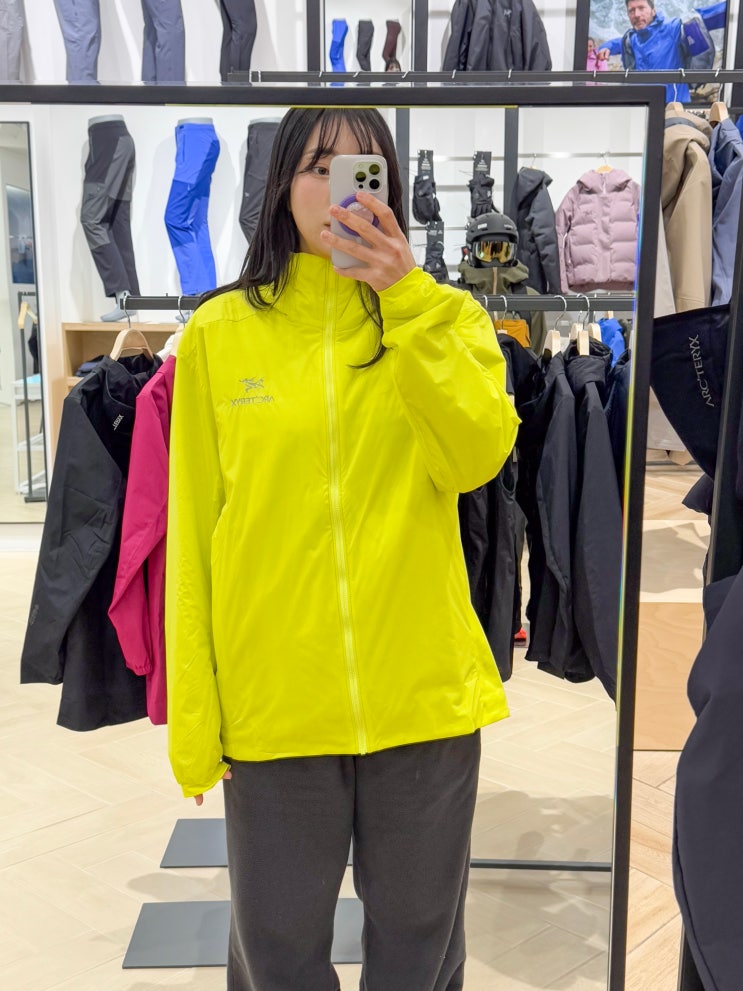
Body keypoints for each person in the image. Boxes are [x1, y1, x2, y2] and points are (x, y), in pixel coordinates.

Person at [165, 107, 520, 991]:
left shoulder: (447, 317)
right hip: (276, 703)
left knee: (418, 956)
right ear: (282, 186)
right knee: (276, 957)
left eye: (361, 171)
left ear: (388, 188)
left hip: (422, 701)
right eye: (317, 168)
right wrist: (196, 723)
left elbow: (477, 455)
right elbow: (194, 539)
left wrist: (406, 302)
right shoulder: (218, 335)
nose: (337, 191)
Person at [598, 0, 713, 102]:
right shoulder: (632, 39)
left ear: (653, 11)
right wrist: (607, 46)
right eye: (631, 10)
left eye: (641, 8)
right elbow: (618, 42)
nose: (636, 14)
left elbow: (706, 18)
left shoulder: (673, 29)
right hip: (643, 108)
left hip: (674, 108)